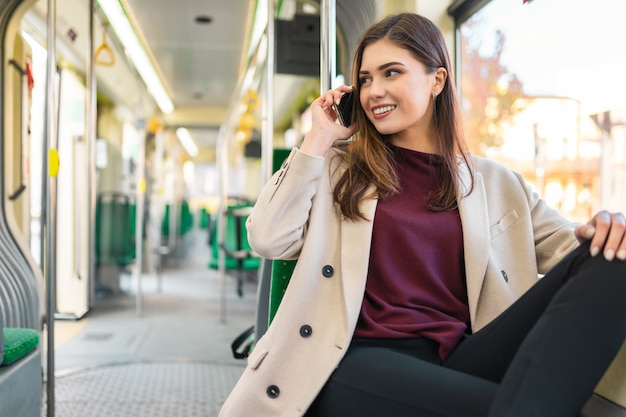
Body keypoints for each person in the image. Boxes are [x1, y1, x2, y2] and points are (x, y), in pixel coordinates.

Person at [219, 12, 626, 417]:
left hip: (461, 355)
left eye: (391, 73)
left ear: (437, 80)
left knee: (612, 255)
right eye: (364, 79)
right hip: (354, 359)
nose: (373, 90)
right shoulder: (336, 167)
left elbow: (576, 248)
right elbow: (268, 237)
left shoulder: (496, 182)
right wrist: (318, 137)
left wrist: (613, 223)